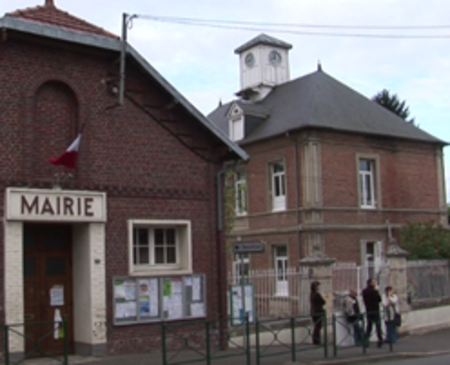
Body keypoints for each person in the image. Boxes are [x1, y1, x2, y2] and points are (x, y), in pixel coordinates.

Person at [362, 278, 383, 348]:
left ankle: (365, 341)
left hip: (368, 310)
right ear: (371, 283)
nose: (375, 283)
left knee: (369, 326)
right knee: (378, 326)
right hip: (375, 310)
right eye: (374, 282)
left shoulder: (364, 291)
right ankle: (380, 341)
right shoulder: (374, 291)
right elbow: (379, 299)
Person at [310, 281, 326, 345]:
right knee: (318, 327)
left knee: (316, 326)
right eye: (318, 286)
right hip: (318, 312)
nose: (319, 287)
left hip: (313, 312)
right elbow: (323, 302)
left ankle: (315, 340)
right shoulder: (317, 294)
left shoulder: (311, 294)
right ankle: (317, 340)